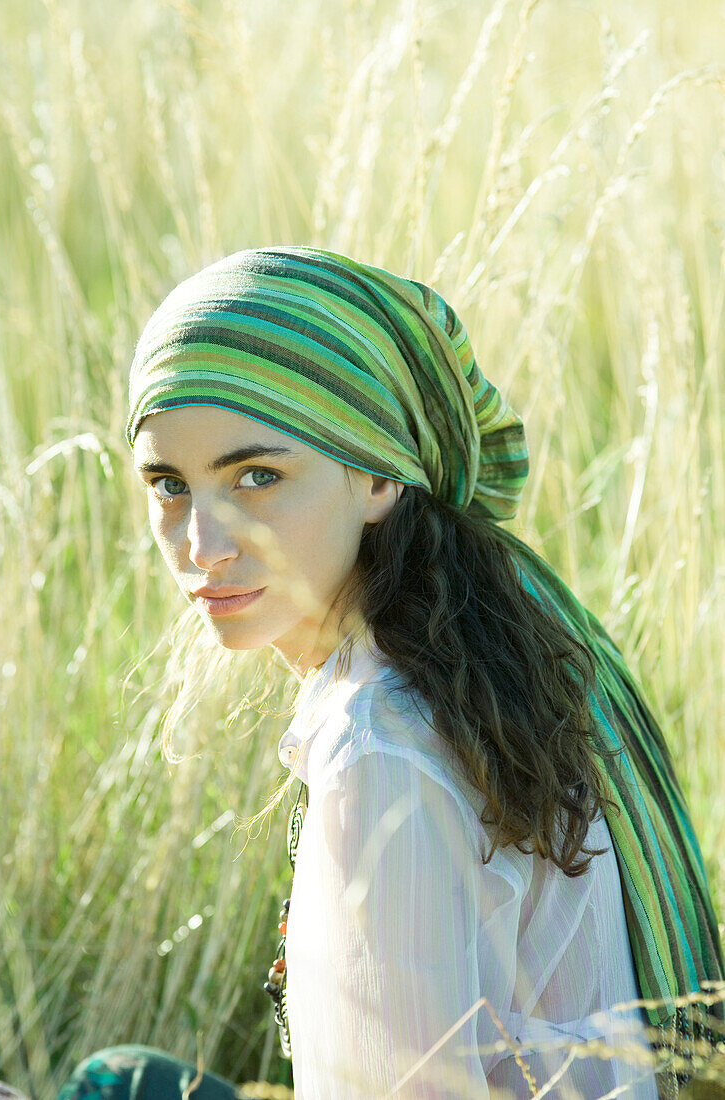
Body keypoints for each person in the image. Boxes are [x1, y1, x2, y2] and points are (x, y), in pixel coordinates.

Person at [53, 247, 723, 1099]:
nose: (201, 547)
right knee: (120, 1080)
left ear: (377, 472)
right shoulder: (520, 630)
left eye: (257, 476)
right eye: (169, 484)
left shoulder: (381, 749)